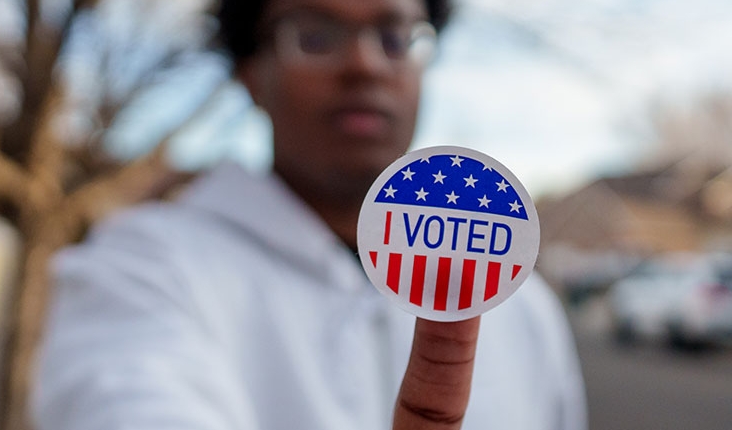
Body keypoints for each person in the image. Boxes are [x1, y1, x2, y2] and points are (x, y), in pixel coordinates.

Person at [31, 0, 586, 429]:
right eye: (315, 35)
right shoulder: (140, 269)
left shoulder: (521, 309)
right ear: (250, 75)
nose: (365, 64)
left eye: (396, 36)